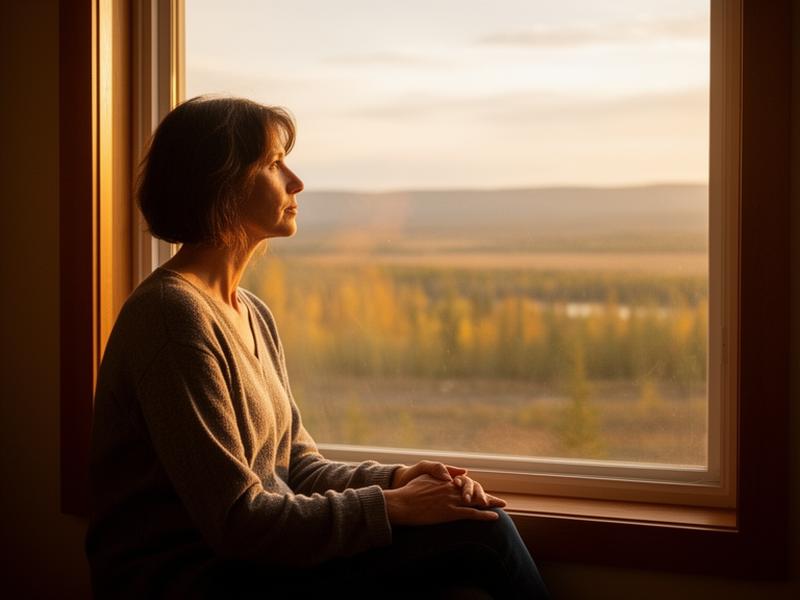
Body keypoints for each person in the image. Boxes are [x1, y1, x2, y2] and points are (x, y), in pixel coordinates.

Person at [85, 96, 549, 599]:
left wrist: (398, 479)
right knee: (482, 536)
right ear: (219, 183)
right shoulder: (171, 317)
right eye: (273, 163)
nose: (296, 181)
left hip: (248, 562)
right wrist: (397, 506)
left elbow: (297, 467)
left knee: (477, 520)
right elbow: (238, 520)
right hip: (191, 578)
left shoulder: (250, 313)